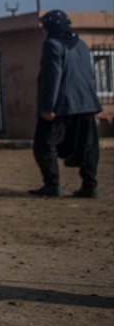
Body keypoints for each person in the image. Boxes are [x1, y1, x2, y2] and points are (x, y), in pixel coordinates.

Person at [30, 10, 101, 198]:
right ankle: (89, 185)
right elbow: (88, 75)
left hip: (62, 105)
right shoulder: (82, 45)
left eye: (44, 26)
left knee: (44, 144)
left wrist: (47, 106)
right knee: (89, 145)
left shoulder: (52, 45)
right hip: (86, 103)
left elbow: (52, 77)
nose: (43, 30)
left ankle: (52, 184)